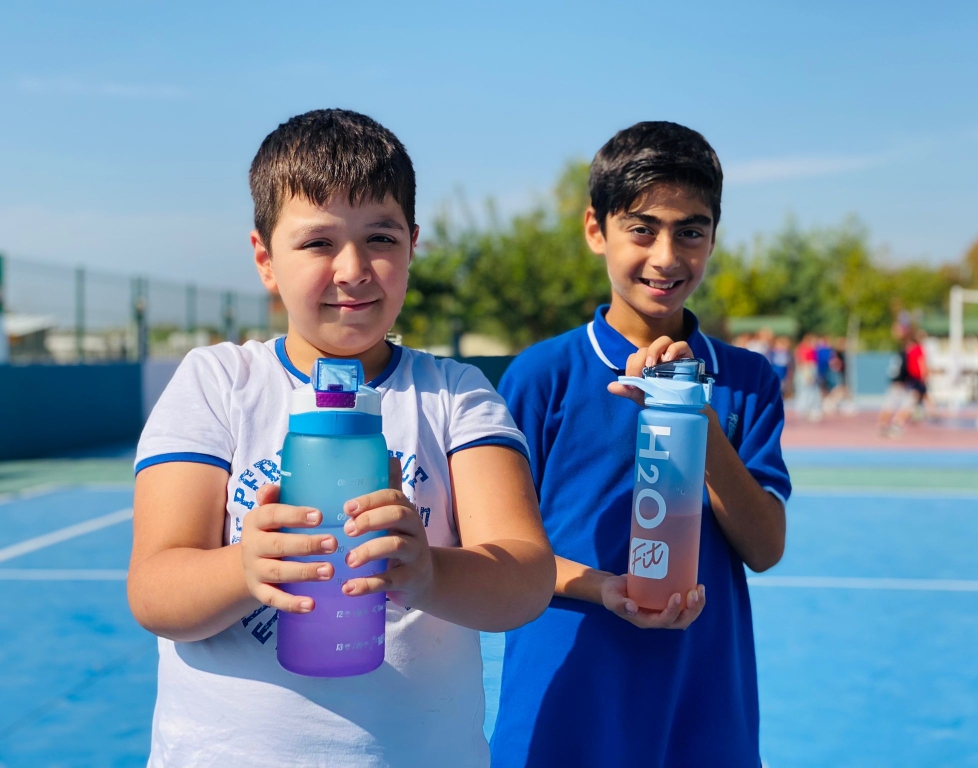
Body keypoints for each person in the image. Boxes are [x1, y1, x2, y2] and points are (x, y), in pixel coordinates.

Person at [127, 109, 555, 768]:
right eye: (318, 242)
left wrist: (428, 572)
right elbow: (155, 590)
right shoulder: (217, 382)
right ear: (265, 259)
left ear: (412, 246)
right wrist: (246, 567)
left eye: (380, 237)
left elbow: (525, 577)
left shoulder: (456, 395)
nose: (353, 269)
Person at [490, 121, 791, 768]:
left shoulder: (747, 380)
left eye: (691, 232)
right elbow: (497, 549)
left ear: (713, 237)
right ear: (595, 230)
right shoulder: (542, 377)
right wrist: (603, 587)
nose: (666, 257)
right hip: (567, 697)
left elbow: (766, 548)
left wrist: (693, 417)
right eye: (642, 229)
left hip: (703, 705)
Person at [794, 332, 822, 421]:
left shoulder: (811, 348)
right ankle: (805, 409)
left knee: (811, 389)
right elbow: (803, 361)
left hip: (810, 368)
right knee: (807, 389)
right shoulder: (804, 348)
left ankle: (810, 408)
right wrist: (807, 373)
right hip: (807, 368)